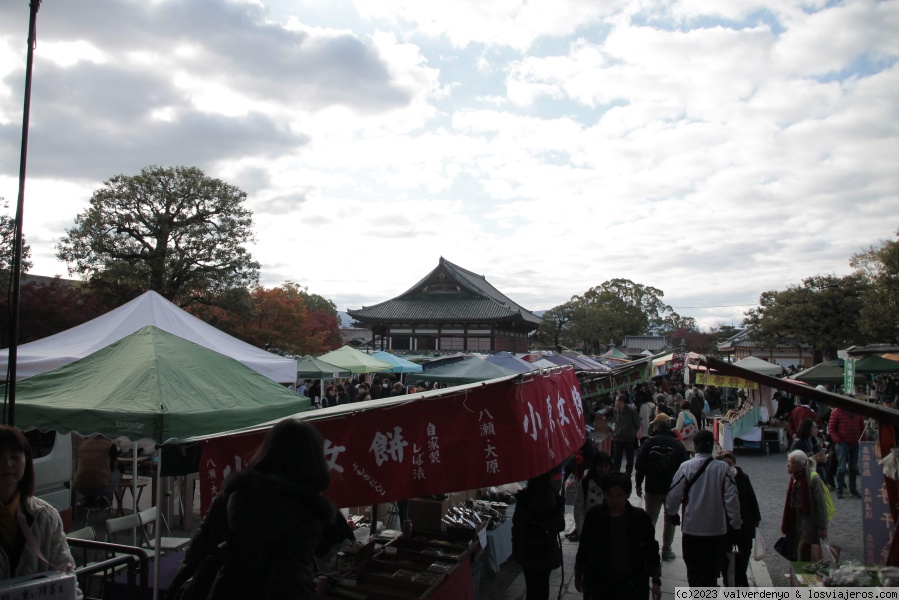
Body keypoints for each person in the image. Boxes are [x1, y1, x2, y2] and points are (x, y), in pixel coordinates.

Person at [168, 420, 335, 599]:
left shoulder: (230, 496)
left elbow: (193, 557)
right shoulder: (305, 515)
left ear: (266, 452)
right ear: (314, 462)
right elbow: (289, 583)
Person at [0, 426, 81, 596]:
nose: (7, 464)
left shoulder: (46, 516)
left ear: (26, 461)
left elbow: (68, 578)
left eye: (15, 457)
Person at [665, 430, 741, 588]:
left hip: (692, 527)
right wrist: (735, 524)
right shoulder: (723, 469)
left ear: (694, 446)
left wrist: (672, 513)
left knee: (694, 571)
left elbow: (673, 495)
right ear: (712, 446)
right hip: (716, 529)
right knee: (711, 573)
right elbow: (732, 499)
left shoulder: (685, 467)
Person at [575, 473, 662, 600]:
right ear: (604, 494)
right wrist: (578, 574)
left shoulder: (641, 519)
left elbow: (651, 550)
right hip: (600, 584)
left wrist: (656, 581)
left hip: (632, 585)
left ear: (627, 494)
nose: (614, 501)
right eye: (610, 495)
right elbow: (584, 547)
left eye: (619, 495)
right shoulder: (594, 516)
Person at [635, 413, 688, 561]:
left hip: (652, 487)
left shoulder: (649, 443)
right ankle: (666, 549)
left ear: (657, 425)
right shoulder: (677, 444)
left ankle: (648, 548)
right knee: (670, 519)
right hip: (672, 489)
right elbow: (685, 467)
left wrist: (638, 485)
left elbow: (639, 466)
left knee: (650, 519)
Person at [512, 471, 566, 600]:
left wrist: (515, 547)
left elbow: (517, 525)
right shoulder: (555, 500)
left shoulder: (523, 499)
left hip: (527, 550)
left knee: (531, 587)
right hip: (547, 550)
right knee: (543, 586)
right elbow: (560, 526)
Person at [716, 451, 761, 587]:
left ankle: (740, 577)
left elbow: (751, 498)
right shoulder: (718, 479)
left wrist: (756, 518)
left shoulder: (743, 477)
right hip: (726, 525)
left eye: (730, 463)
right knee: (725, 553)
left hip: (745, 523)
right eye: (724, 464)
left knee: (744, 552)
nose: (728, 466)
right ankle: (728, 579)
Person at [780, 450, 828, 561]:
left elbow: (821, 505)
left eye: (790, 463)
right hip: (795, 518)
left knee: (805, 549)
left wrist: (823, 527)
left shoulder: (813, 478)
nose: (787, 465)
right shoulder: (794, 477)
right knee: (796, 547)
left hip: (809, 519)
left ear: (799, 465)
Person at [828, 406, 865, 499]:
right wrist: (838, 440)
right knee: (841, 468)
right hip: (842, 443)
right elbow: (831, 428)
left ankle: (853, 489)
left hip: (855, 443)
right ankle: (839, 489)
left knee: (853, 468)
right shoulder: (837, 411)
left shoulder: (858, 413)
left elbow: (862, 428)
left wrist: (862, 440)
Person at [74, 434, 120, 505]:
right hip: (101, 488)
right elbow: (112, 467)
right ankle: (107, 500)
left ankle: (91, 500)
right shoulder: (110, 445)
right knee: (116, 472)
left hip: (81, 487)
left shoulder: (83, 444)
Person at [612, 394, 640, 478]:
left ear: (622, 402)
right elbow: (615, 421)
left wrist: (631, 432)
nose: (615, 402)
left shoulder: (631, 411)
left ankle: (628, 472)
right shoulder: (616, 410)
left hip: (628, 438)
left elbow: (637, 424)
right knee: (616, 457)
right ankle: (616, 472)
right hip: (618, 437)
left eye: (616, 400)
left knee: (629, 457)